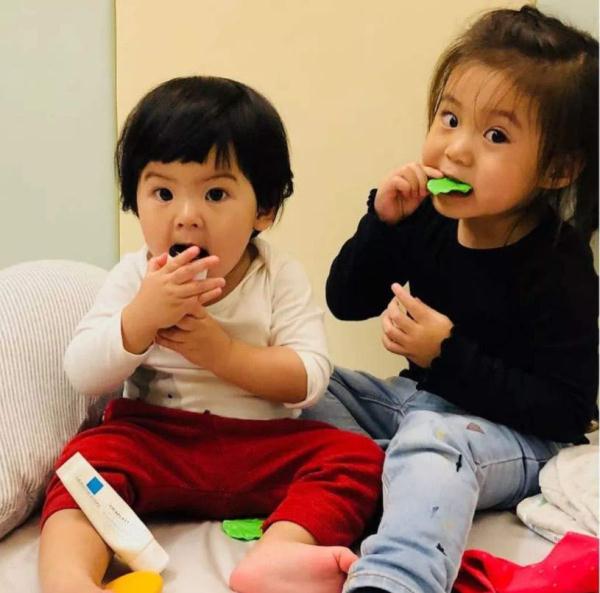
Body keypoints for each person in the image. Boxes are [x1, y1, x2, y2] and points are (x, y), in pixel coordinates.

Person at [38, 76, 384, 593]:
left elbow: (310, 378)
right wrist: (140, 319)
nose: (186, 217)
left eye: (216, 194)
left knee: (360, 459)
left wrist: (222, 353)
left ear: (264, 209)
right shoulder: (135, 276)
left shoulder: (276, 276)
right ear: (134, 199)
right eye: (162, 193)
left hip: (262, 447)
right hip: (157, 440)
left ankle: (280, 551)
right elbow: (83, 373)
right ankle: (70, 579)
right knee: (80, 467)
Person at [303, 7, 599, 593]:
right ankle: (391, 477)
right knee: (306, 383)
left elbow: (566, 411)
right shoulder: (425, 218)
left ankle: (395, 579)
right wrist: (382, 221)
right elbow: (346, 299)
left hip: (512, 437)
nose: (456, 150)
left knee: (434, 441)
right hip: (414, 404)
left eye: (495, 136)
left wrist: (445, 352)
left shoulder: (558, 263)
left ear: (558, 169)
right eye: (450, 117)